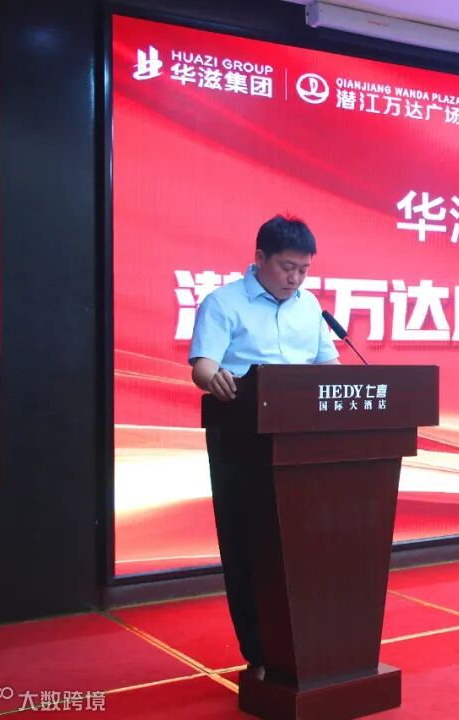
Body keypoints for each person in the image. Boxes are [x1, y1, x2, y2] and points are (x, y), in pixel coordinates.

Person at [189, 215, 340, 673]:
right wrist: (213, 377)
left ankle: (309, 643)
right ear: (259, 258)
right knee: (249, 546)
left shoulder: (310, 307)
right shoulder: (223, 303)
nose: (295, 279)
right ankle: (259, 651)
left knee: (303, 546)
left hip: (301, 439)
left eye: (304, 270)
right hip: (244, 438)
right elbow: (203, 365)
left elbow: (327, 366)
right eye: (287, 267)